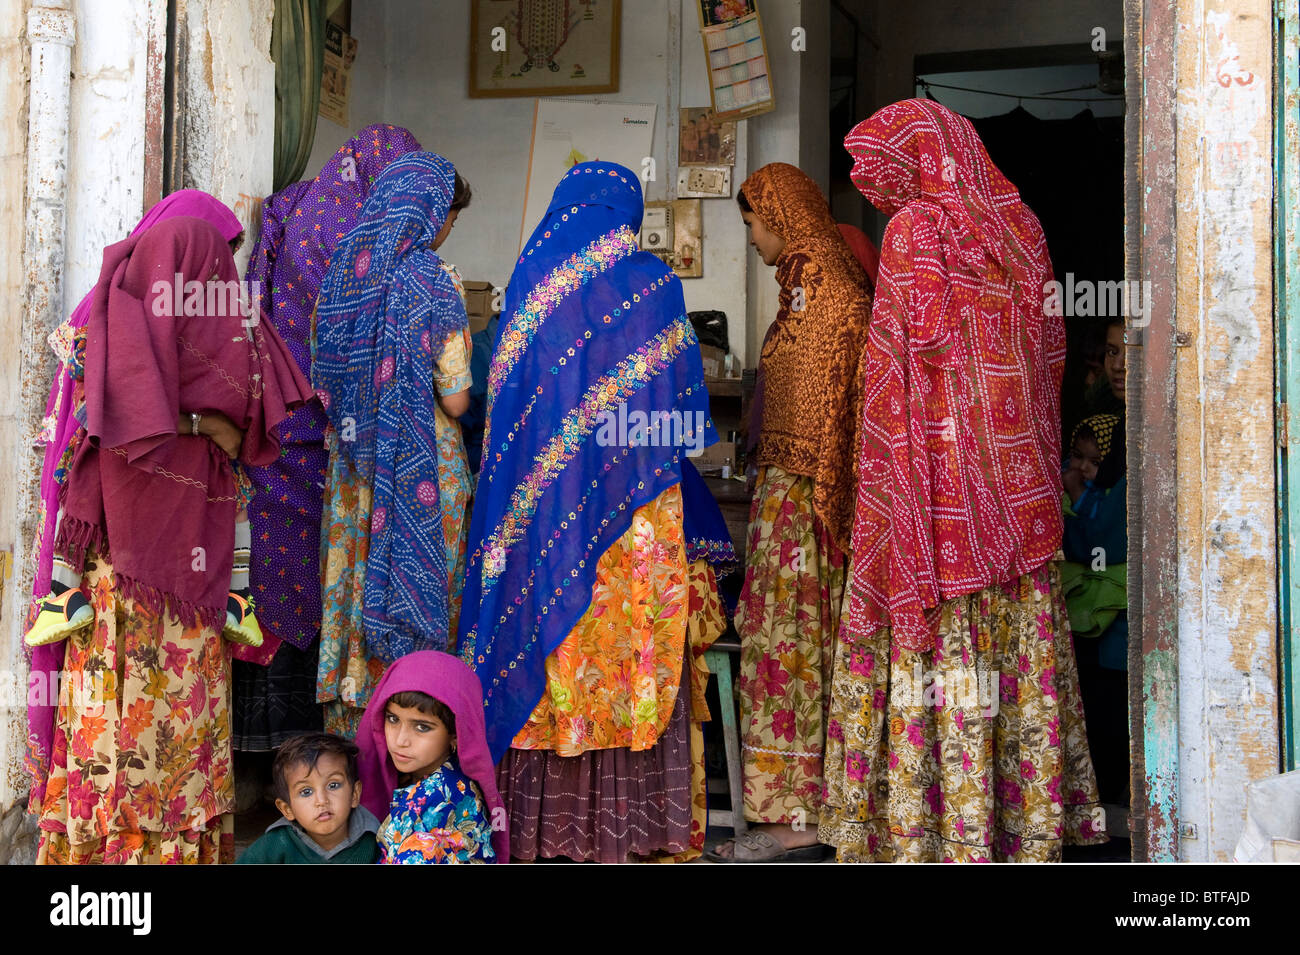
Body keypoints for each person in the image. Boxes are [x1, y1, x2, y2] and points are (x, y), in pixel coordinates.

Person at [820, 98, 1103, 862]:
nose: (875, 191)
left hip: (936, 504)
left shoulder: (917, 232)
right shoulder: (1022, 228)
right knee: (1018, 652)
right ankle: (1025, 827)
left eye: (882, 174)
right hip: (1017, 498)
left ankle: (939, 834)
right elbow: (1048, 362)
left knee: (943, 660)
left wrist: (879, 487)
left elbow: (889, 375)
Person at [458, 161, 715, 862]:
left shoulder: (530, 287)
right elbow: (682, 424)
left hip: (543, 516)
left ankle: (541, 830)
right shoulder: (656, 284)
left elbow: (503, 420)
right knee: (625, 653)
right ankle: (630, 831)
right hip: (635, 519)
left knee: (559, 642)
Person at [35, 216, 312, 864]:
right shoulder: (230, 334)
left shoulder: (119, 331)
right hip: (194, 589)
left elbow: (91, 441)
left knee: (114, 739)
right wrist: (196, 423)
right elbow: (253, 424)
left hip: (117, 588)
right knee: (177, 741)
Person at [23, 190, 249, 814]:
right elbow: (121, 411)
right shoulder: (120, 316)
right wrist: (205, 424)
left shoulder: (177, 322)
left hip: (151, 557)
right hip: (126, 558)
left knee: (144, 717)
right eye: (215, 267)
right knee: (137, 717)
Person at [232, 125, 422, 760]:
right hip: (317, 430)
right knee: (315, 572)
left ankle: (265, 749)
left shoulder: (303, 207)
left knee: (275, 571)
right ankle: (304, 748)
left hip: (275, 424)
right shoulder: (351, 238)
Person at [711, 162, 873, 862]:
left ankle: (807, 809)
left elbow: (838, 420)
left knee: (800, 652)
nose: (748, 235)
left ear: (780, 214)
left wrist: (819, 510)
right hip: (788, 504)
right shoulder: (804, 291)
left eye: (751, 220)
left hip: (813, 510)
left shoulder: (832, 296)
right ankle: (801, 803)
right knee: (786, 652)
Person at [312, 152, 472, 738]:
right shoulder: (434, 279)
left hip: (355, 466)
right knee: (419, 577)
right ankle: (416, 729)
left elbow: (324, 376)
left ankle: (354, 728)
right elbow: (455, 398)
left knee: (352, 579)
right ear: (430, 209)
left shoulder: (342, 277)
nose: (446, 228)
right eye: (448, 215)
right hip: (421, 466)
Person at [356, 651, 508, 864]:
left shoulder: (437, 798)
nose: (401, 740)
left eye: (422, 727)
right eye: (392, 719)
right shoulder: (442, 772)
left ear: (456, 733)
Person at [1061, 413, 1130, 808]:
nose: (1083, 468)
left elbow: (1097, 544)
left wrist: (1073, 500)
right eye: (1077, 457)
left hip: (1114, 642)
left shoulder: (1118, 494)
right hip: (1088, 639)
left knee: (1110, 725)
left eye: (1094, 461)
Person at [236, 732, 380, 864]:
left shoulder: (374, 841)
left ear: (354, 794)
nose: (322, 800)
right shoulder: (275, 845)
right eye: (306, 792)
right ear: (287, 809)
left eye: (333, 785)